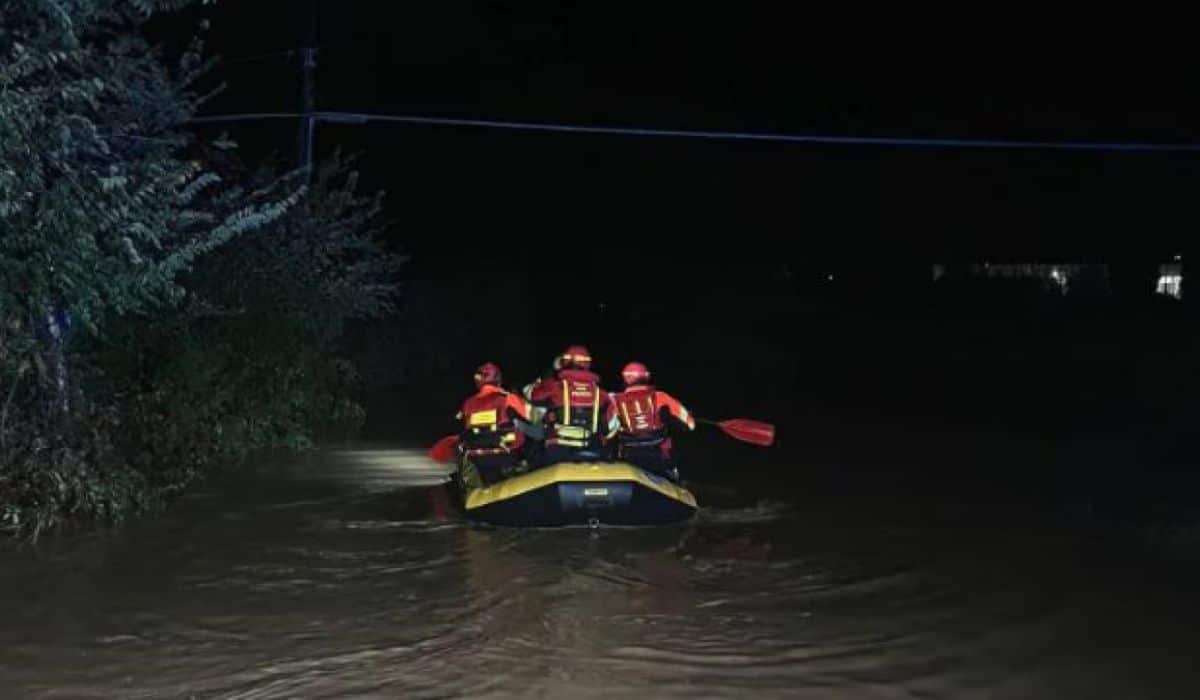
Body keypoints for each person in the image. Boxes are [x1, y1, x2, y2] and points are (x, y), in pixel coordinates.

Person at [527, 344, 620, 465]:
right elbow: (612, 428)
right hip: (593, 450)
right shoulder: (602, 394)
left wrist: (544, 379)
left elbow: (530, 394)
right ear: (588, 364)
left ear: (564, 362)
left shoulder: (554, 387)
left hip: (558, 451)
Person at [610, 361, 695, 481]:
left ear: (625, 378)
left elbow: (608, 431)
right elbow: (690, 425)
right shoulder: (661, 397)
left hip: (629, 457)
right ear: (646, 377)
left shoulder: (614, 401)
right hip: (659, 458)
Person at [456, 362, 532, 486]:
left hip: (477, 457)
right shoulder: (508, 398)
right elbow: (529, 420)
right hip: (506, 454)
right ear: (498, 379)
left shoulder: (468, 403)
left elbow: (461, 426)